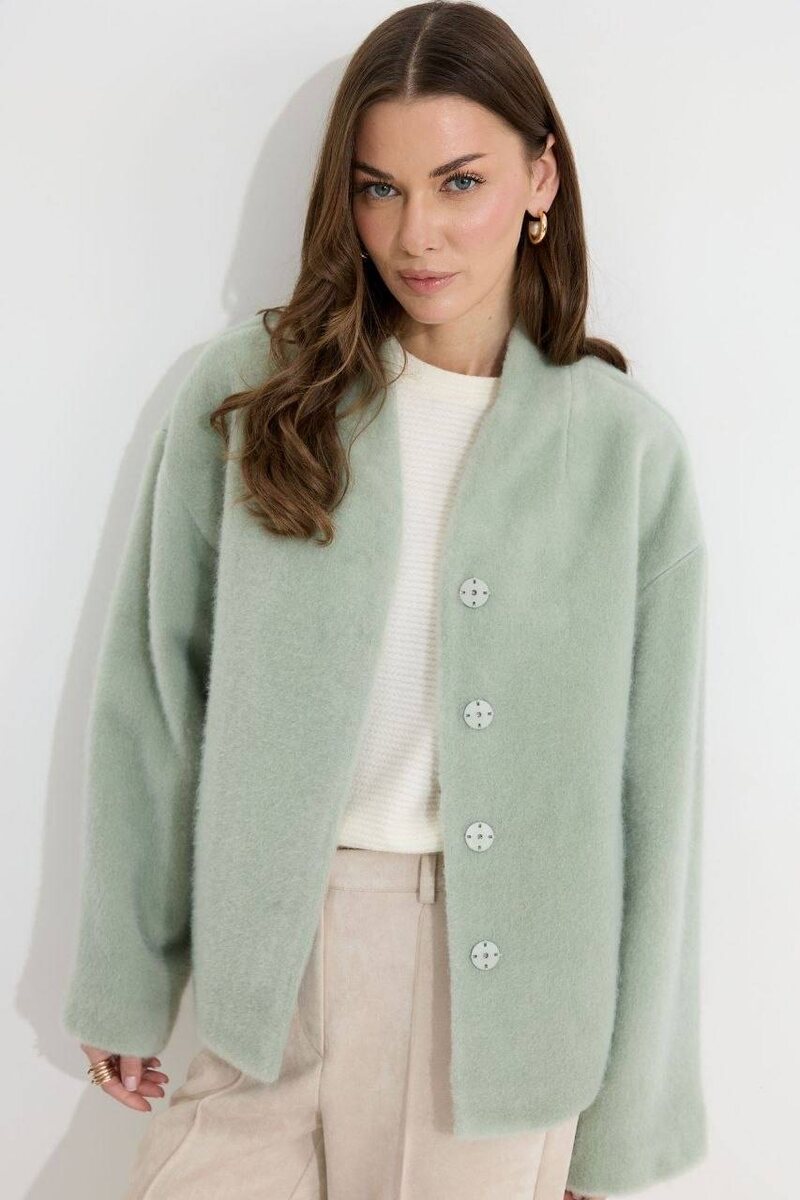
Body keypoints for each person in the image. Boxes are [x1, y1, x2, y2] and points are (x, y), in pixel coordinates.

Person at [61, 3, 709, 1198]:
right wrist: (125, 977)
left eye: (458, 182)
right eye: (378, 189)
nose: (415, 234)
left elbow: (654, 800)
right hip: (268, 980)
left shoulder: (623, 454)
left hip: (500, 1025)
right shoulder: (255, 396)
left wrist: (619, 1132)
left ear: (539, 180)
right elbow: (157, 692)